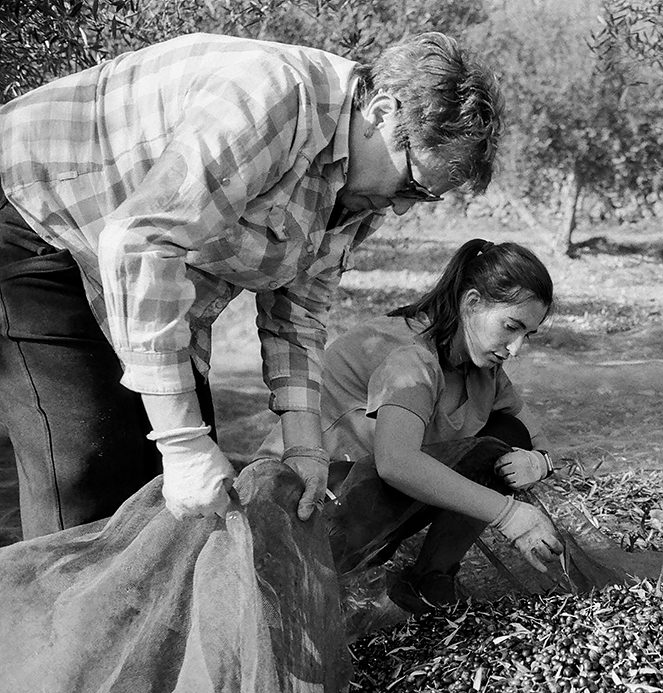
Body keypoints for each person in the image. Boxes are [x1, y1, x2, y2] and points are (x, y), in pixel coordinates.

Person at [0, 32, 502, 538]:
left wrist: (305, 447)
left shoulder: (360, 187)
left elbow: (298, 317)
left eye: (424, 199)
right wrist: (180, 443)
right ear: (381, 113)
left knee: (194, 497)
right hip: (37, 215)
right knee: (90, 469)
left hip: (138, 271)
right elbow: (141, 244)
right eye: (412, 186)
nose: (401, 208)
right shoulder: (273, 99)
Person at [260, 238, 563, 611]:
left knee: (507, 437)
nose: (516, 348)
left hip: (368, 496)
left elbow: (536, 439)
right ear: (471, 303)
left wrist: (540, 462)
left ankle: (429, 580)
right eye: (510, 327)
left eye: (527, 335)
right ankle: (320, 578)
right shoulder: (411, 357)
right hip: (307, 501)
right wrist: (509, 515)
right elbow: (395, 463)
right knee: (479, 452)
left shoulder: (483, 367)